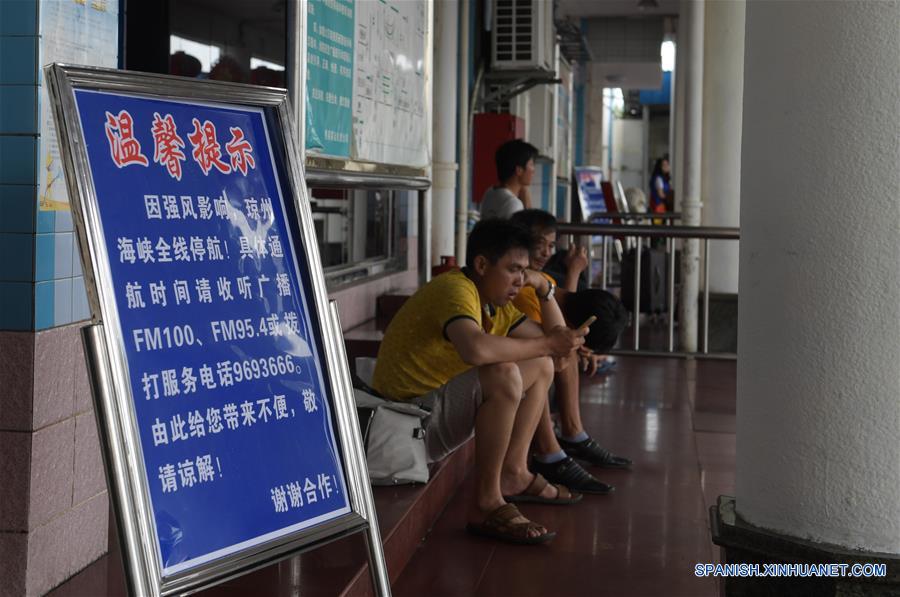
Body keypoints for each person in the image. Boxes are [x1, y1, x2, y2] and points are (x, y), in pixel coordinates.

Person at [371, 219, 588, 545]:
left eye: (524, 272)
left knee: (541, 364)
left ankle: (513, 472)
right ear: (482, 265)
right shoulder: (455, 289)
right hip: (405, 424)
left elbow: (555, 357)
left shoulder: (494, 304)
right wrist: (549, 344)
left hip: (429, 415)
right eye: (513, 269)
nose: (520, 281)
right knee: (503, 375)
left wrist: (544, 289)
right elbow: (475, 348)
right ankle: (486, 503)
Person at [510, 210, 632, 495]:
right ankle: (549, 452)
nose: (546, 252)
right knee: (544, 360)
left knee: (559, 352)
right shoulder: (526, 290)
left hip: (510, 357)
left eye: (551, 245)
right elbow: (552, 351)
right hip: (496, 365)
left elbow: (560, 321)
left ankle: (572, 434)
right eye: (540, 243)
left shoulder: (542, 281)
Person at [480, 139, 538, 220]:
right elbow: (531, 227)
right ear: (519, 170)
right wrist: (527, 202)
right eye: (531, 164)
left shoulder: (490, 192)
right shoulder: (513, 204)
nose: (534, 170)